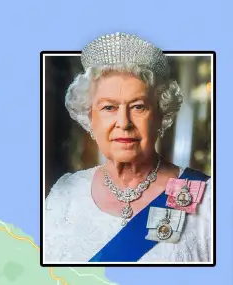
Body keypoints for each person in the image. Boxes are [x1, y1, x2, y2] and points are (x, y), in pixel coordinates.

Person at [43, 33, 211, 264]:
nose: (123, 122)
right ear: (90, 118)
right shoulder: (64, 196)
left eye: (138, 106)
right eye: (109, 107)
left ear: (160, 116)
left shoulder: (208, 199)